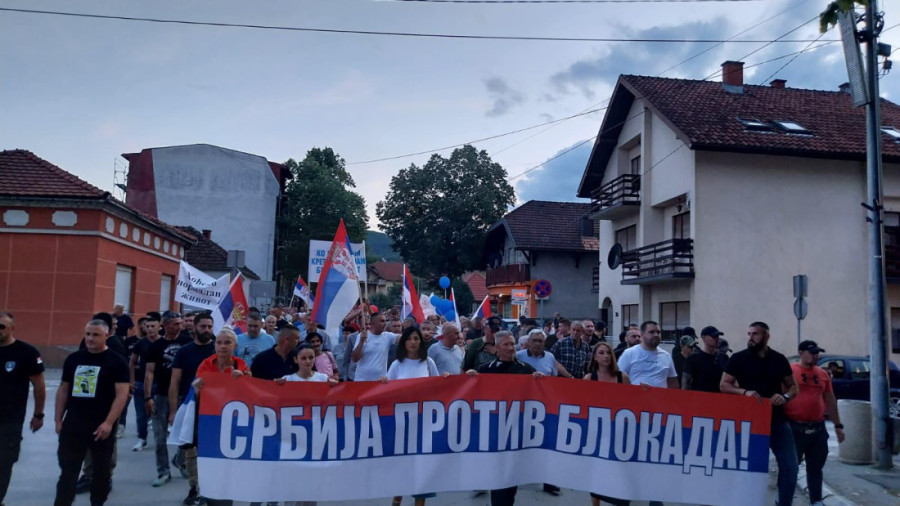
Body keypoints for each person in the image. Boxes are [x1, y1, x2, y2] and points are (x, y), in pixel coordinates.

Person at [721, 321, 799, 506]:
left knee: (790, 467)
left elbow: (793, 386)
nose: (751, 338)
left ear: (766, 336)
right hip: (750, 422)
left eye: (755, 334)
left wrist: (785, 396)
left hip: (777, 421)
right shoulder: (738, 358)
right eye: (749, 334)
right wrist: (745, 392)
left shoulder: (779, 359)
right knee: (749, 469)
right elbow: (724, 385)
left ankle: (784, 503)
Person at [54, 318, 129, 506]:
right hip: (74, 424)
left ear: (107, 335)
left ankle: (97, 502)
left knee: (101, 472)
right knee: (68, 472)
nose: (90, 338)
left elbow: (121, 395)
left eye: (95, 335)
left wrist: (109, 423)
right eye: (87, 334)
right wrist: (58, 419)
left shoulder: (117, 361)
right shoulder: (74, 359)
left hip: (100, 426)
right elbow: (64, 389)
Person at [465, 331, 542, 506]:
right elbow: (472, 393)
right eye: (506, 344)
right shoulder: (485, 370)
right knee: (497, 477)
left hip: (516, 432)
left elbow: (539, 394)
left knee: (511, 478)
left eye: (512, 344)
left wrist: (539, 380)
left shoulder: (525, 370)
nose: (510, 348)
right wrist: (469, 378)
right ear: (497, 347)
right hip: (494, 431)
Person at [382, 326, 446, 506]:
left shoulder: (428, 363)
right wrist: (384, 383)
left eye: (416, 338)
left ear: (421, 341)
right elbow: (386, 391)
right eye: (409, 338)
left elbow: (439, 388)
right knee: (403, 463)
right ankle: (397, 498)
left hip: (424, 423)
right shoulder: (396, 365)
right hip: (402, 423)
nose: (413, 342)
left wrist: (446, 379)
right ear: (404, 342)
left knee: (423, 466)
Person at [190, 327, 251, 506]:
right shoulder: (206, 364)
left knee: (227, 469)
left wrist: (242, 381)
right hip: (209, 424)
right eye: (219, 342)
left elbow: (251, 395)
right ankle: (208, 495)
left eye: (227, 343)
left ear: (235, 346)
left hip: (232, 426)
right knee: (209, 466)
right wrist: (197, 389)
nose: (223, 346)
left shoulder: (241, 366)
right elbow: (197, 395)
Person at [785, 340, 845, 506]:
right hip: (794, 427)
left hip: (817, 427)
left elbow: (830, 400)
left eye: (817, 352)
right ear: (801, 352)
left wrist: (838, 426)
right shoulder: (790, 371)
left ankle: (816, 500)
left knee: (816, 467)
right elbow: (780, 395)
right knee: (790, 467)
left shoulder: (822, 374)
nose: (815, 355)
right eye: (812, 352)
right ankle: (784, 499)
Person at [0, 312, 46, 505]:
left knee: (4, 463)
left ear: (12, 328)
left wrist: (38, 415)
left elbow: (39, 386)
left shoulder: (26, 352)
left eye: (2, 326)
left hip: (10, 420)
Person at [144, 311, 191, 487]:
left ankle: (180, 460)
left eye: (180, 323)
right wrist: (148, 396)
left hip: (184, 394)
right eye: (174, 323)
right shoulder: (156, 346)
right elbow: (149, 372)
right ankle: (163, 471)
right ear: (165, 325)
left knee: (185, 434)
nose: (179, 326)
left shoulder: (187, 342)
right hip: (161, 394)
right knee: (160, 435)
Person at [583, 341, 631, 506]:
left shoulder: (622, 377)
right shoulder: (590, 378)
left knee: (619, 468)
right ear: (595, 357)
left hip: (618, 429)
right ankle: (595, 502)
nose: (605, 356)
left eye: (608, 353)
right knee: (596, 468)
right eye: (601, 353)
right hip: (597, 430)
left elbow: (632, 401)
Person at [617, 321, 678, 389]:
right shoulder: (629, 353)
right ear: (642, 334)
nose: (656, 335)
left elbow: (672, 382)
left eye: (658, 332)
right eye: (651, 332)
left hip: (659, 398)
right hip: (635, 397)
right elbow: (618, 378)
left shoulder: (666, 356)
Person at [129, 314, 159, 451]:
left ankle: (160, 439)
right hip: (141, 382)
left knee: (159, 413)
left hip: (160, 383)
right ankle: (142, 439)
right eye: (148, 327)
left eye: (153, 326)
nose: (150, 329)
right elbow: (132, 362)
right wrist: (131, 380)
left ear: (159, 326)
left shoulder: (163, 343)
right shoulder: (140, 344)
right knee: (141, 413)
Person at [350, 312, 397, 382]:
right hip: (362, 381)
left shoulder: (388, 336)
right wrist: (361, 342)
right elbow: (354, 359)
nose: (385, 324)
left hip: (380, 381)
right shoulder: (362, 336)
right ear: (373, 323)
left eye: (385, 321)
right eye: (382, 321)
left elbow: (404, 338)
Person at [681, 326, 727, 392]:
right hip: (699, 398)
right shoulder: (693, 358)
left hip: (719, 398)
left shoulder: (723, 357)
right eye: (713, 336)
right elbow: (685, 383)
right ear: (704, 338)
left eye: (717, 336)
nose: (717, 339)